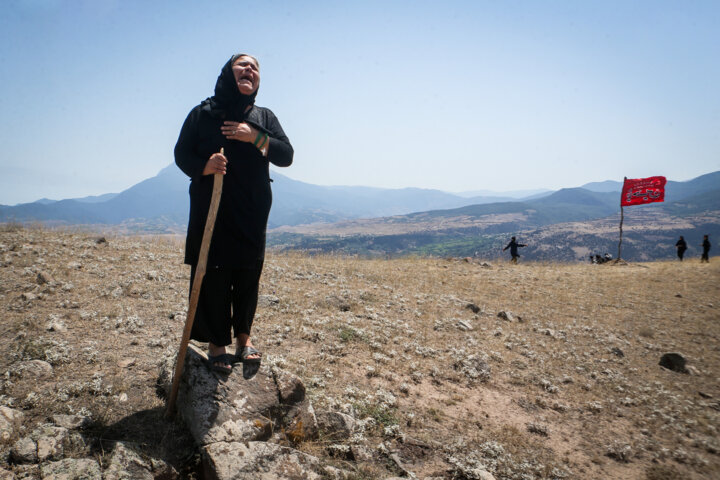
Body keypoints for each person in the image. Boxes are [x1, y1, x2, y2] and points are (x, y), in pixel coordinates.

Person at [175, 53, 293, 374]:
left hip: (251, 212)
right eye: (242, 64)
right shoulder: (202, 114)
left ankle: (244, 338)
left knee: (246, 273)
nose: (249, 70)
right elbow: (181, 153)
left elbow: (286, 155)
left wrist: (254, 136)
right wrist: (204, 166)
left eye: (255, 67)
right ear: (228, 73)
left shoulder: (264, 117)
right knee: (212, 273)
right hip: (211, 209)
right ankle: (217, 343)